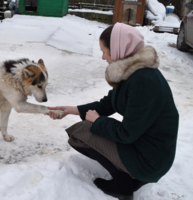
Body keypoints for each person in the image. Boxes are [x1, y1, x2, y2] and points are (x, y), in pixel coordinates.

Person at [47, 23, 179, 200]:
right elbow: (108, 104)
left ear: (118, 49)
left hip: (151, 160)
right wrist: (71, 110)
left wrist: (98, 121)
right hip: (147, 149)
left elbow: (126, 134)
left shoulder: (143, 81)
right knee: (84, 128)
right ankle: (132, 176)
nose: (103, 57)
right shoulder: (133, 71)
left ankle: (123, 185)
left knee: (81, 132)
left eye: (105, 51)